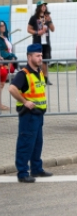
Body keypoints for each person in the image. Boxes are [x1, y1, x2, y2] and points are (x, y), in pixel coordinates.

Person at [8, 44, 53, 183]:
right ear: (29, 57)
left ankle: (36, 168)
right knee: (26, 143)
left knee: (37, 143)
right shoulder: (23, 74)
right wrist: (24, 101)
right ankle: (22, 173)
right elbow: (12, 88)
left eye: (41, 55)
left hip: (38, 114)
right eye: (37, 56)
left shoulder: (38, 72)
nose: (41, 58)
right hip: (29, 115)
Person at [27, 0, 54, 81]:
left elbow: (53, 29)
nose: (44, 7)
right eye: (42, 6)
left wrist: (49, 21)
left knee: (45, 60)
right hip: (37, 41)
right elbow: (29, 29)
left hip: (46, 42)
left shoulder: (47, 17)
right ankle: (37, 77)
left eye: (45, 6)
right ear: (38, 7)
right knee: (37, 60)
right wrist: (37, 32)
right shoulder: (33, 18)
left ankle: (45, 78)